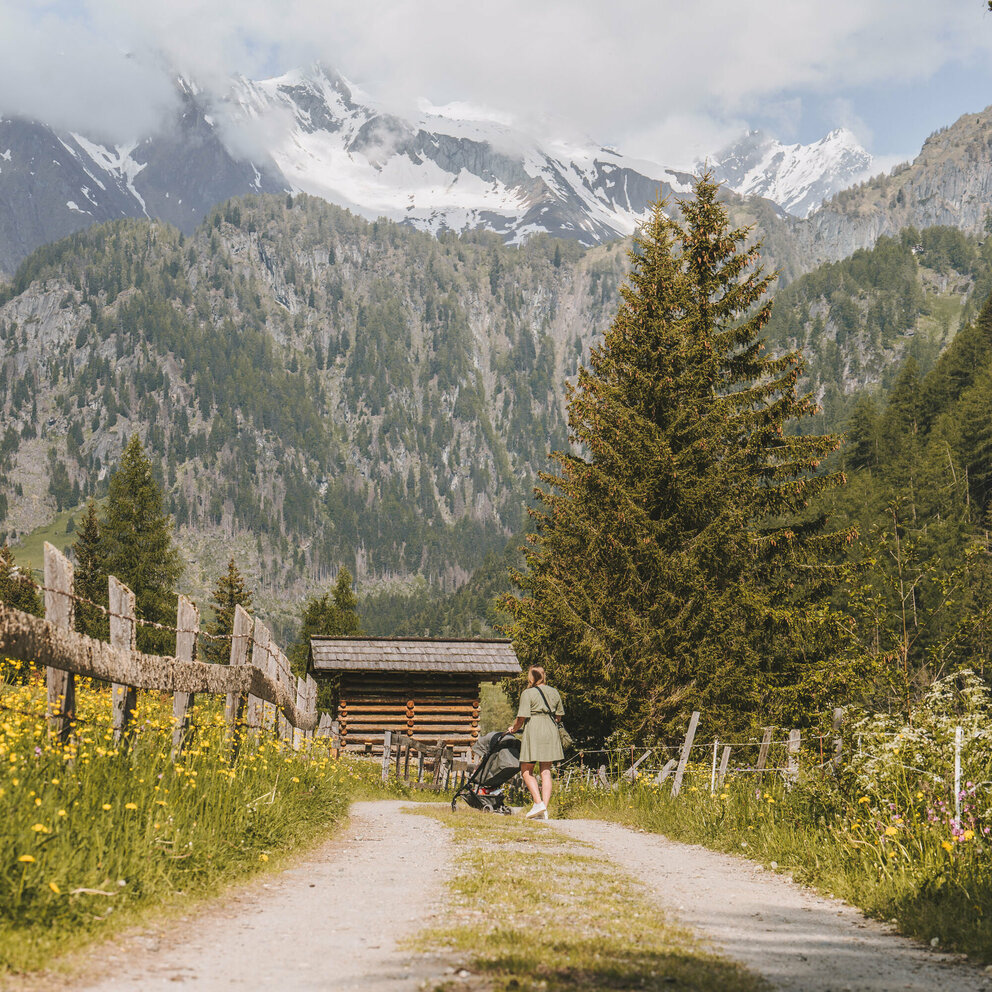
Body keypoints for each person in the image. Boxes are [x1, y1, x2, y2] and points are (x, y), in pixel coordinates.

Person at [506, 665, 564, 819]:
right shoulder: (554, 692)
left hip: (534, 729)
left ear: (531, 677)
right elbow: (558, 717)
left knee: (526, 770)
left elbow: (521, 717)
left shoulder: (528, 693)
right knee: (546, 771)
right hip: (550, 730)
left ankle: (538, 803)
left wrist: (514, 728)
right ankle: (544, 810)